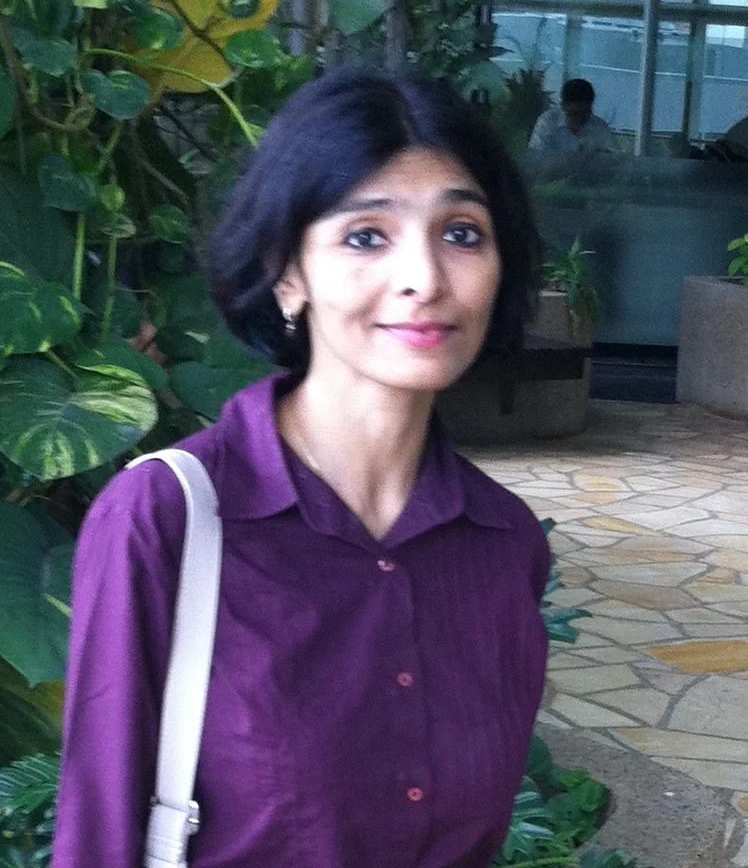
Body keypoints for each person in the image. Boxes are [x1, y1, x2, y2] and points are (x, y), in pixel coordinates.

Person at [53, 66, 551, 868]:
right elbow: (97, 841)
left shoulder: (505, 543)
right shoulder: (167, 518)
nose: (425, 279)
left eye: (462, 233)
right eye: (367, 237)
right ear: (288, 273)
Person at [529, 78, 616, 154]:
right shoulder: (548, 122)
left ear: (591, 107)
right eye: (575, 113)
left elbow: (611, 158)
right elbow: (536, 154)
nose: (580, 119)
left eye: (585, 113)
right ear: (563, 105)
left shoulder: (600, 127)